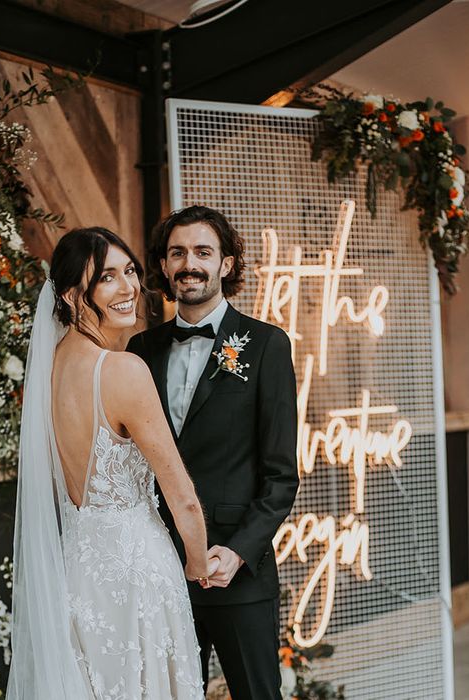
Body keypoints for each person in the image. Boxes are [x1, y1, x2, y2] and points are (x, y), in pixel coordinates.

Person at [6, 227, 211, 699]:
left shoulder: (48, 369)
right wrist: (198, 565)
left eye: (131, 272)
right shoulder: (123, 371)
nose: (129, 288)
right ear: (73, 295)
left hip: (78, 570)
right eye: (107, 278)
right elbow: (182, 498)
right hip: (138, 572)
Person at [127, 206, 300, 700]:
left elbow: (281, 475)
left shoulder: (267, 346)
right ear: (163, 265)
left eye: (203, 252)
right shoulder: (140, 352)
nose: (190, 264)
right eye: (177, 253)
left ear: (226, 264)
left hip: (238, 575)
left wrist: (240, 551)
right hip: (160, 567)